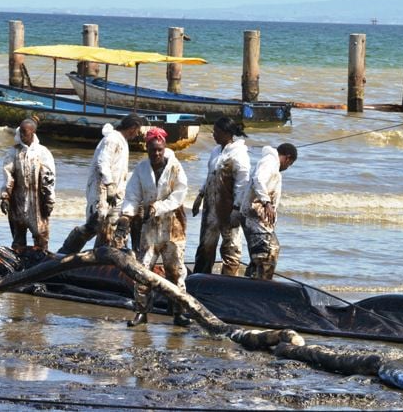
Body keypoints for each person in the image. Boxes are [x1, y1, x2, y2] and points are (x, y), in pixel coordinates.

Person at [116, 127, 190, 327]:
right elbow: (132, 195)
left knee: (175, 270)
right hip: (149, 228)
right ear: (146, 148)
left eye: (159, 149)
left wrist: (158, 207)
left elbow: (179, 194)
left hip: (173, 225)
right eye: (152, 150)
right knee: (142, 270)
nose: (156, 153)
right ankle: (141, 311)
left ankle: (178, 312)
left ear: (164, 147)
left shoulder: (175, 167)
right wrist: (126, 216)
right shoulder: (141, 169)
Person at [58, 114, 143, 254]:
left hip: (115, 191)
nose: (137, 134)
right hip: (102, 189)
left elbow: (119, 168)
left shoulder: (122, 141)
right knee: (96, 223)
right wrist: (109, 184)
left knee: (110, 226)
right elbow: (102, 162)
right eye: (137, 130)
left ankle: (101, 255)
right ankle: (67, 250)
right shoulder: (112, 140)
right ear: (132, 128)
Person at [192, 116, 250, 276]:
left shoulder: (239, 154)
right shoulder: (216, 151)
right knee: (205, 246)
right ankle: (201, 279)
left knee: (231, 247)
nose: (214, 135)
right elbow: (211, 176)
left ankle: (228, 281)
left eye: (216, 132)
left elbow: (242, 184)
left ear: (226, 133)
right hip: (211, 207)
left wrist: (236, 209)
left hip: (228, 207)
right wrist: (200, 195)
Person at [241, 143, 297, 279]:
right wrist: (266, 202)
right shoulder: (269, 162)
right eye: (289, 165)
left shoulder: (272, 164)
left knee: (263, 254)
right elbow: (258, 179)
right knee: (267, 252)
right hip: (254, 216)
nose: (287, 168)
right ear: (288, 158)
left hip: (259, 218)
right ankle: (260, 285)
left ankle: (252, 279)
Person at [0, 118, 56, 251]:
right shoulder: (13, 152)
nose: (21, 135)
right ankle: (19, 267)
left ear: (32, 133)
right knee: (18, 240)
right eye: (21, 132)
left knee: (41, 238)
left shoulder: (42, 152)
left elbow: (49, 178)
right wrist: (5, 198)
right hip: (17, 202)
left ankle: (40, 267)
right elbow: (8, 176)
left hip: (37, 203)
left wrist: (49, 201)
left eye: (24, 132)